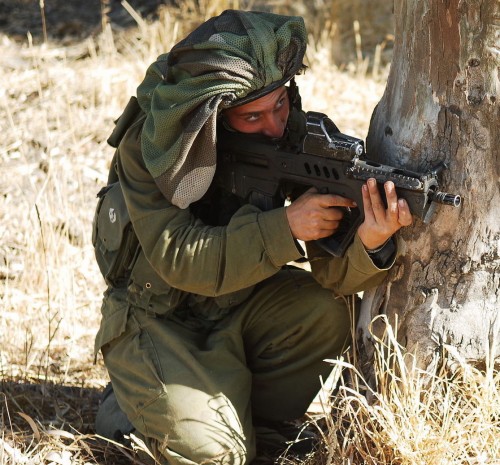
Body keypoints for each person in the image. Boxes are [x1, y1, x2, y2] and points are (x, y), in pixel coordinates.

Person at [93, 9, 412, 465]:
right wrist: (286, 228)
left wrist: (371, 241)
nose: (274, 126)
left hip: (238, 305)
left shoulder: (295, 137)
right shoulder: (151, 146)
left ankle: (235, 414)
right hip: (157, 320)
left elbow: (335, 276)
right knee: (217, 456)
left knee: (325, 310)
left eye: (281, 104)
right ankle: (130, 405)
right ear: (214, 117)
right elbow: (178, 256)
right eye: (253, 117)